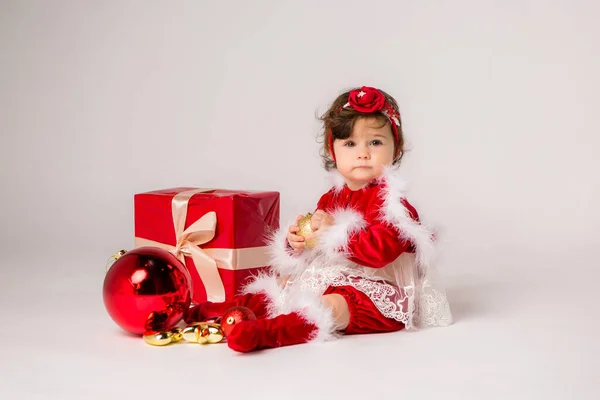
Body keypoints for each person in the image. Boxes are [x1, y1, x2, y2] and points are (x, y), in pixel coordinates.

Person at [185, 86, 452, 352]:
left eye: (375, 142)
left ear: (396, 148)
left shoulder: (393, 203)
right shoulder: (331, 198)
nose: (363, 153)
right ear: (332, 150)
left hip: (379, 292)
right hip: (335, 277)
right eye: (350, 143)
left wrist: (333, 232)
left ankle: (268, 333)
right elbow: (316, 248)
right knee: (281, 287)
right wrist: (299, 242)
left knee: (333, 306)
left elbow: (382, 251)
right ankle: (213, 311)